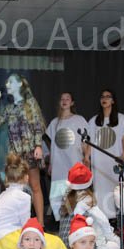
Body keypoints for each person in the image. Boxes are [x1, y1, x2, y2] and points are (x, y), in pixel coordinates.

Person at [0, 153, 68, 249]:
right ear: (26, 177)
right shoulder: (23, 197)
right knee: (56, 243)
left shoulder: (2, 195)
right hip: (8, 241)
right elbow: (26, 228)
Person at [0, 73, 47, 225]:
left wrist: (38, 146)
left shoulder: (30, 103)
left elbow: (38, 125)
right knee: (16, 187)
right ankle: (19, 222)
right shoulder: (9, 107)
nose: (7, 85)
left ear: (20, 84)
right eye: (7, 82)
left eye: (10, 82)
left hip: (29, 150)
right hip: (15, 154)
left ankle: (40, 224)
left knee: (35, 186)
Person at [57, 162, 119, 249]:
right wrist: (114, 239)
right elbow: (103, 223)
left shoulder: (66, 197)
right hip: (79, 246)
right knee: (114, 246)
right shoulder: (87, 201)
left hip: (64, 245)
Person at [87, 88, 124, 219]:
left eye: (107, 96)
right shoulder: (94, 121)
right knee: (100, 191)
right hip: (99, 164)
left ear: (113, 101)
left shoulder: (121, 119)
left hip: (115, 163)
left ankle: (118, 219)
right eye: (102, 97)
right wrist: (86, 157)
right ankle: (103, 219)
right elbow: (90, 142)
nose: (104, 99)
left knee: (116, 191)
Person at [45, 92, 89, 220]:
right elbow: (52, 144)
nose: (64, 101)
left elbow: (85, 141)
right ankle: (62, 220)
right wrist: (51, 163)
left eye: (67, 99)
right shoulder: (54, 123)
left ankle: (76, 219)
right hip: (58, 165)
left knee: (74, 192)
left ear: (72, 102)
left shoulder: (78, 119)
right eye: (62, 99)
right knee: (57, 194)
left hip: (74, 163)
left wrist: (86, 157)